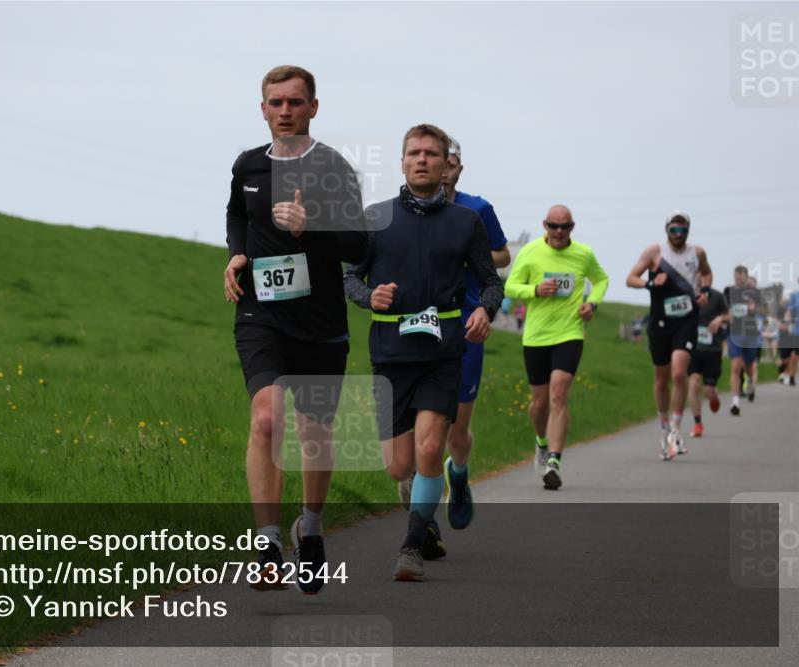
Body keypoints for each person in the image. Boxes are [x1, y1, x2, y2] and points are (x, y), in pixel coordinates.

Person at [224, 65, 368, 594]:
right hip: (261, 312)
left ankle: (309, 524)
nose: (285, 111)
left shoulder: (334, 169)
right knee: (266, 418)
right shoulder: (247, 165)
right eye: (275, 102)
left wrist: (313, 230)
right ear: (262, 108)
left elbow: (359, 246)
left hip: (322, 321)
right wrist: (237, 253)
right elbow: (236, 214)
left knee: (314, 435)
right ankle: (266, 542)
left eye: (295, 102)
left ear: (313, 107)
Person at [345, 124, 503, 581]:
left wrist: (485, 312)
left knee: (431, 447)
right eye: (414, 153)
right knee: (399, 464)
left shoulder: (466, 222)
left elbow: (491, 281)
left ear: (445, 164)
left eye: (431, 154)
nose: (422, 160)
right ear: (401, 162)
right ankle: (420, 499)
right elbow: (350, 277)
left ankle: (412, 547)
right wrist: (367, 296)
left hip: (442, 351)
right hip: (391, 354)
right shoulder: (375, 217)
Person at [504, 205, 609, 489]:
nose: (559, 232)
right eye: (554, 226)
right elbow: (511, 287)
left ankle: (554, 460)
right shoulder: (530, 252)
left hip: (570, 331)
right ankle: (541, 442)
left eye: (565, 227)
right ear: (545, 226)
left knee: (559, 392)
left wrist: (592, 303)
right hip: (536, 335)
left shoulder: (583, 254)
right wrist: (534, 290)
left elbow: (601, 280)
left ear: (572, 227)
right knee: (538, 404)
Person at [626, 212, 712, 460]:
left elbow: (707, 273)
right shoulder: (654, 252)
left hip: (687, 319)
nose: (678, 235)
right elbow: (631, 278)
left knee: (678, 372)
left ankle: (676, 428)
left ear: (688, 231)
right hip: (660, 321)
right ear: (667, 230)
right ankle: (663, 426)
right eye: (674, 230)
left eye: (683, 231)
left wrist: (704, 290)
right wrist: (650, 284)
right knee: (662, 379)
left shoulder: (697, 253)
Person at [688, 286, 728, 438]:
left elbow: (730, 315)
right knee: (693, 382)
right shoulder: (688, 295)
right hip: (694, 349)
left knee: (709, 391)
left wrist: (720, 318)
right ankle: (697, 424)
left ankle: (714, 398)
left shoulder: (718, 297)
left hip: (713, 351)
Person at [723, 266, 762, 415]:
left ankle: (751, 381)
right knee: (735, 366)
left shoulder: (754, 292)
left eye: (741, 277)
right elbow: (724, 308)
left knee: (748, 366)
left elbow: (761, 309)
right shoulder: (728, 291)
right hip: (734, 333)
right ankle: (735, 402)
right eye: (736, 277)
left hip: (750, 333)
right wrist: (727, 314)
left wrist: (754, 307)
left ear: (746, 277)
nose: (738, 280)